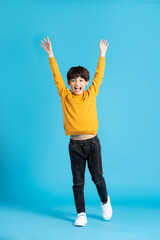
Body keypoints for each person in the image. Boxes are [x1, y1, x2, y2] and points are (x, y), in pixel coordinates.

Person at [40, 37, 113, 227]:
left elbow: (99, 76)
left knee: (97, 177)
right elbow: (56, 76)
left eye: (81, 80)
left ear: (86, 83)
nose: (77, 83)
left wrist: (102, 55)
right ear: (69, 83)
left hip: (92, 143)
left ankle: (105, 201)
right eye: (73, 80)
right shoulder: (65, 95)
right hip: (75, 145)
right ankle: (81, 213)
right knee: (78, 181)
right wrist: (51, 55)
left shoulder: (91, 93)